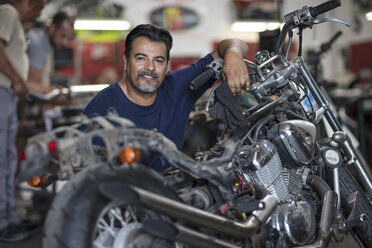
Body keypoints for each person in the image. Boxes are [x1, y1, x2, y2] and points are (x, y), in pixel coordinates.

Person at [84, 24, 249, 172]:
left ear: (166, 66)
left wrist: (233, 54)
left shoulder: (177, 87)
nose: (150, 68)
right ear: (126, 63)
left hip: (171, 190)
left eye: (158, 60)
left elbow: (232, 44)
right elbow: (84, 175)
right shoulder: (101, 109)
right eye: (141, 58)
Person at [0, 0, 46, 242]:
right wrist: (18, 79)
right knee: (1, 161)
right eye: (39, 7)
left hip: (7, 93)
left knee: (7, 159)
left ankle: (9, 219)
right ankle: (3, 223)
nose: (38, 13)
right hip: (2, 90)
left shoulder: (13, 19)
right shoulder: (7, 12)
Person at [27, 11, 74, 93]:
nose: (65, 43)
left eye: (68, 38)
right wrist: (52, 91)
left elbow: (43, 83)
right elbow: (32, 86)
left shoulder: (47, 46)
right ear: (52, 28)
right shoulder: (38, 43)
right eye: (63, 36)